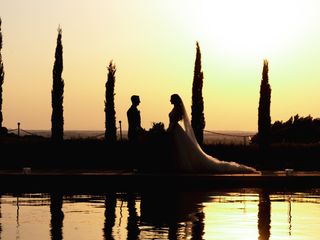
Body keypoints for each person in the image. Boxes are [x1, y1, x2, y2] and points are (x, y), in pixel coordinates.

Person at [167, 93, 259, 173]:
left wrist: (168, 130)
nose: (170, 100)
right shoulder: (175, 108)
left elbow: (175, 122)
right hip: (175, 130)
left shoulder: (177, 109)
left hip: (175, 130)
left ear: (174, 100)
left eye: (171, 98)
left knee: (181, 150)